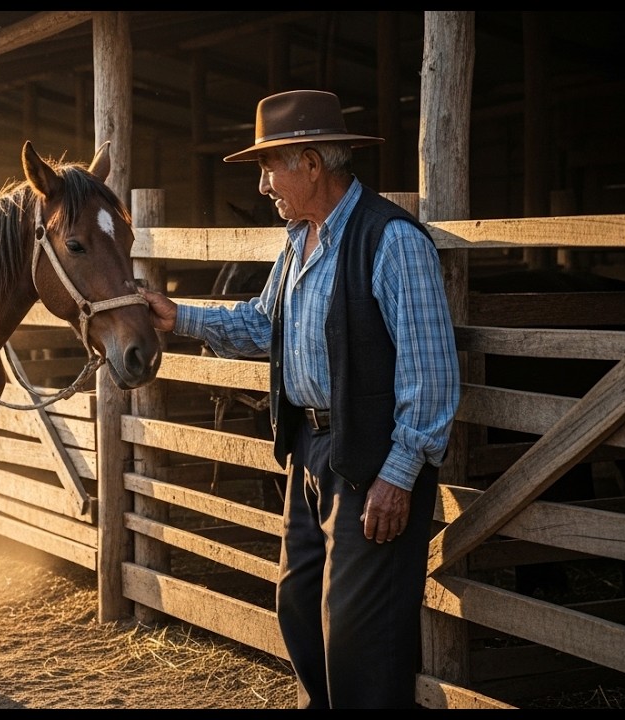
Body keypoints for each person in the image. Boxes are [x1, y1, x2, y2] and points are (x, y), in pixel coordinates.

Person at [138, 89, 460, 709]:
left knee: (360, 641)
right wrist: (178, 317)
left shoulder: (391, 240)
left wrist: (398, 475)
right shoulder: (298, 242)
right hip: (311, 452)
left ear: (311, 164)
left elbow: (432, 374)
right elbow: (266, 325)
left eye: (270, 166)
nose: (263, 185)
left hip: (370, 461)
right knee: (297, 607)